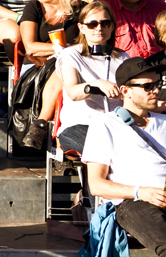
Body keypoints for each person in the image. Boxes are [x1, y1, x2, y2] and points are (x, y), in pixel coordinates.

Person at [81, 55, 166, 255]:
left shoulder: (163, 121)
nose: (156, 90)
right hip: (135, 202)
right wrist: (140, 191)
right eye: (147, 87)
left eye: (157, 84)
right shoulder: (105, 124)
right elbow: (96, 185)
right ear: (125, 91)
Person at [17, 0, 95, 148]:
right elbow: (30, 46)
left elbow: (89, 42)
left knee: (66, 66)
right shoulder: (34, 7)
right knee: (65, 66)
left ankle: (42, 125)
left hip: (71, 65)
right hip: (37, 67)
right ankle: (55, 138)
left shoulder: (81, 10)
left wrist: (62, 52)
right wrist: (65, 49)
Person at [52, 1, 130, 155]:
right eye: (92, 24)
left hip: (116, 125)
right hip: (80, 125)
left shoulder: (123, 57)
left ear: (112, 26)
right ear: (81, 28)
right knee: (103, 151)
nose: (99, 28)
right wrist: (98, 84)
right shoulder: (70, 55)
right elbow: (73, 93)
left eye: (105, 23)